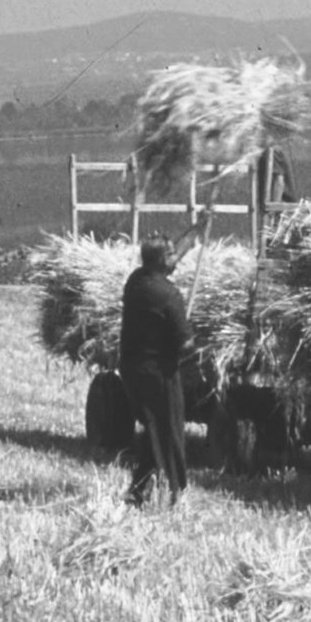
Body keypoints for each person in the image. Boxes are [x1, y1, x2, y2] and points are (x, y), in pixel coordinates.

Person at [119, 214, 207, 507]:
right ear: (160, 262)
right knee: (170, 431)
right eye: (170, 255)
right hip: (159, 373)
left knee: (153, 429)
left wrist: (196, 228)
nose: (176, 259)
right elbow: (185, 344)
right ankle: (175, 493)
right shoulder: (169, 295)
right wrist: (200, 354)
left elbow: (175, 254)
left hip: (132, 369)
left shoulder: (137, 280)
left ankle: (139, 491)